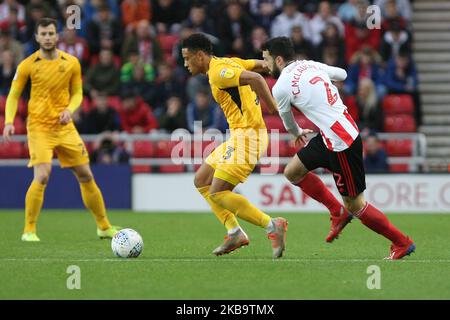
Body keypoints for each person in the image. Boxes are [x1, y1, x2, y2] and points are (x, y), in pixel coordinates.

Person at [261, 37, 415, 259]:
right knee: (292, 172)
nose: (265, 65)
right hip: (330, 134)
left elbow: (285, 118)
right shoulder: (310, 64)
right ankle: (337, 212)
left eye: (266, 60)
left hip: (341, 142)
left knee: (356, 204)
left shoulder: (281, 86)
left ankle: (401, 242)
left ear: (278, 59)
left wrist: (296, 133)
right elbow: (342, 74)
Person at [2, 18, 120, 242]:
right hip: (38, 127)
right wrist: (9, 121)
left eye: (51, 33)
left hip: (65, 128)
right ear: (37, 37)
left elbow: (78, 92)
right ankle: (29, 230)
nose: (47, 37)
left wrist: (70, 109)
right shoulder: (27, 64)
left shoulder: (72, 62)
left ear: (58, 36)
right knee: (43, 175)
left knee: (85, 174)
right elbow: (14, 95)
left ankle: (103, 226)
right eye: (43, 34)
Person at [182, 33, 287, 258]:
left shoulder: (219, 72)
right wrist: (277, 66)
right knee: (201, 180)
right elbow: (262, 67)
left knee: (218, 192)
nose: (185, 64)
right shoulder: (229, 63)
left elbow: (257, 79)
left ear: (200, 56)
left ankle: (272, 225)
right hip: (238, 136)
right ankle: (234, 231)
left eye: (187, 58)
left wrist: (274, 108)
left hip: (249, 137)